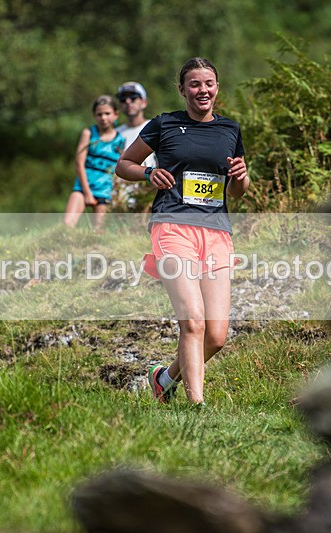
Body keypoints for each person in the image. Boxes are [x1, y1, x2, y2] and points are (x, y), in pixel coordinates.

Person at [115, 58, 249, 405]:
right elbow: (124, 165)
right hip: (173, 226)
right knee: (193, 322)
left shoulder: (230, 130)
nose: (202, 90)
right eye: (194, 84)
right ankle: (196, 406)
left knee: (216, 336)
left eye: (208, 83)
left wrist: (241, 176)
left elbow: (237, 191)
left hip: (217, 232)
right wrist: (147, 174)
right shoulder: (165, 124)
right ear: (182, 90)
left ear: (217, 87)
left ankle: (164, 378)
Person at [63, 95, 125, 229]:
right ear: (94, 116)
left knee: (99, 230)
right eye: (99, 114)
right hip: (84, 185)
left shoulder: (121, 140)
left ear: (116, 115)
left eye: (107, 114)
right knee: (67, 224)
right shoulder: (88, 134)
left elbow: (120, 168)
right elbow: (79, 163)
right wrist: (87, 193)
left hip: (105, 189)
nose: (103, 118)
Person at [114, 82, 157, 210]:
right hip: (120, 200)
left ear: (144, 102)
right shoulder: (116, 134)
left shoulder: (155, 128)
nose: (128, 102)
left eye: (133, 98)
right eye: (123, 99)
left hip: (148, 196)